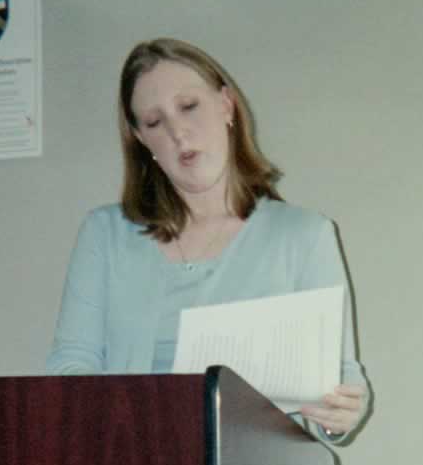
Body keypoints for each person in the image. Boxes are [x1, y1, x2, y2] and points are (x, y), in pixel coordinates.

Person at [46, 37, 370, 442]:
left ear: (226, 105)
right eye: (154, 121)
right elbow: (71, 366)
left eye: (188, 106)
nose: (178, 131)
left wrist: (340, 412)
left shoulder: (305, 236)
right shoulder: (104, 234)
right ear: (141, 140)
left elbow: (341, 375)